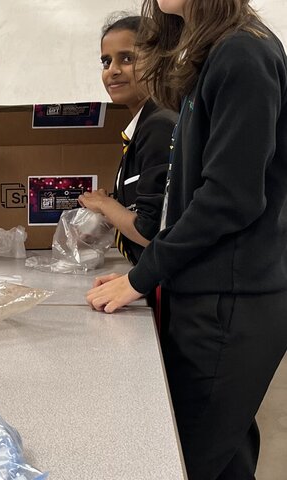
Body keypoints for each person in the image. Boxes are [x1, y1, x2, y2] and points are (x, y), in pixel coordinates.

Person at [87, 1, 287, 478]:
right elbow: (186, 197)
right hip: (206, 290)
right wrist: (149, 270)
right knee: (226, 456)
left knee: (184, 462)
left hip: (230, 301)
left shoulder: (243, 53)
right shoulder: (215, 53)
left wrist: (142, 274)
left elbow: (230, 198)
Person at [79, 15, 177, 267]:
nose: (112, 70)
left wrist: (105, 203)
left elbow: (150, 231)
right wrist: (109, 210)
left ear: (160, 60)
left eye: (127, 58)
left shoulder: (159, 127)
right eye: (106, 61)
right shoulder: (143, 126)